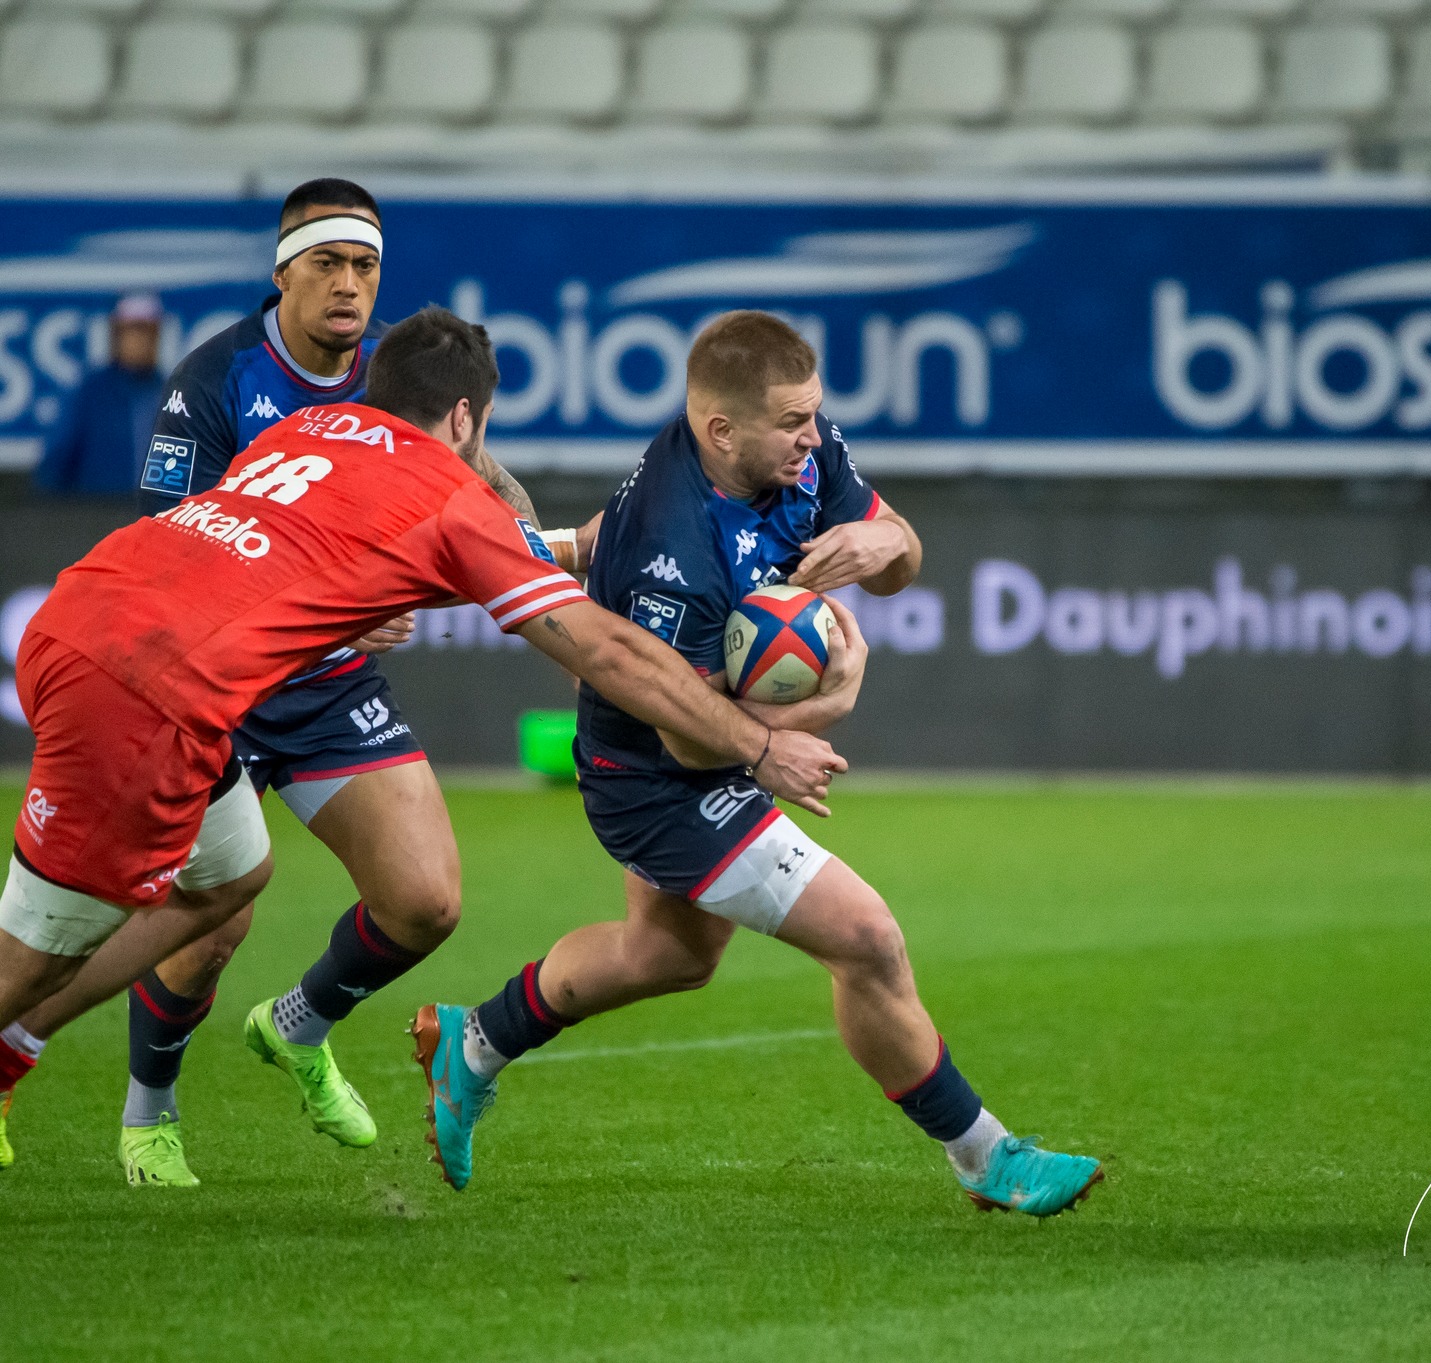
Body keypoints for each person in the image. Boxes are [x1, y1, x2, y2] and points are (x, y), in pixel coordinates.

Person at [0, 311, 842, 1147]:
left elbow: (306, 552)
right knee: (33, 953)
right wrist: (761, 746)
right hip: (136, 688)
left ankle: (15, 1047)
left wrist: (567, 551)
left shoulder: (305, 431)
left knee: (229, 878)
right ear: (466, 416)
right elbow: (604, 647)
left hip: (84, 615)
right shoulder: (447, 496)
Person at [409, 311, 1103, 1218]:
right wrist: (826, 704)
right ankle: (985, 1156)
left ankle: (473, 1042)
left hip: (698, 750)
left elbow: (898, 553)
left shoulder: (795, 449)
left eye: (814, 415)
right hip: (651, 779)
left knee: (666, 953)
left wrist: (890, 542)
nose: (813, 436)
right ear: (721, 430)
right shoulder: (672, 549)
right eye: (792, 422)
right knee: (866, 938)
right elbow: (687, 737)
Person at [0, 180, 592, 1186]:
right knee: (215, 917)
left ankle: (297, 1023)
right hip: (213, 678)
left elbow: (484, 492)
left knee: (424, 899)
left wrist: (538, 570)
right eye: (327, 264)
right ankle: (147, 1113)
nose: (349, 285)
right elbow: (172, 546)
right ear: (283, 273)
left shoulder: (401, 373)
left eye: (365, 266)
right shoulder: (215, 377)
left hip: (328, 683)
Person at [36, 292, 164, 496]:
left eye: (146, 331)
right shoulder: (88, 394)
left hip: (156, 512)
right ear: (115, 335)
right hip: (97, 510)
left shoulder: (169, 393)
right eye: (130, 331)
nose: (139, 340)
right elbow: (55, 466)